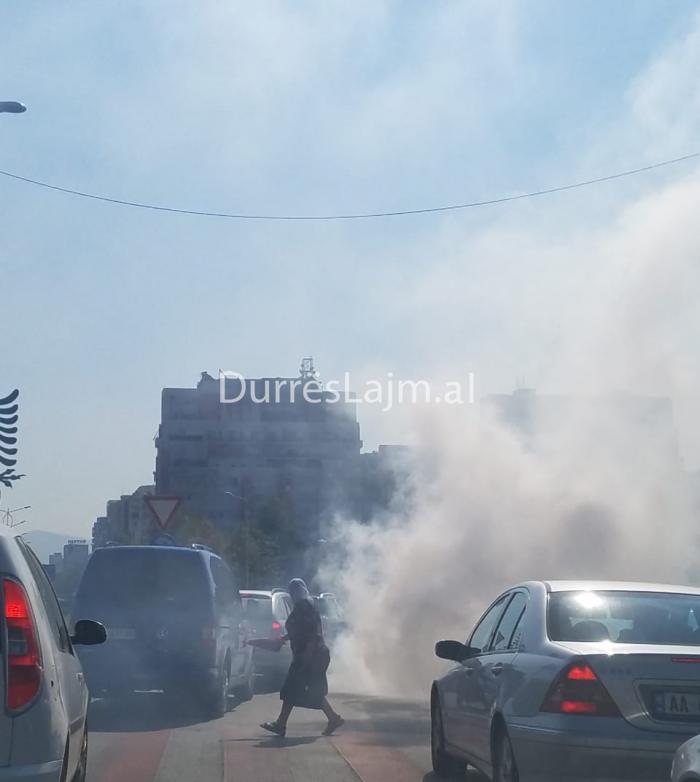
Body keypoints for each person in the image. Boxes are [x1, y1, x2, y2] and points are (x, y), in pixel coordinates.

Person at [260, 578, 344, 738]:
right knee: (309, 690)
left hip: (310, 656)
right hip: (314, 655)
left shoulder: (304, 607)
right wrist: (284, 639)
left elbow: (312, 633)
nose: (294, 593)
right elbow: (301, 631)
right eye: (293, 591)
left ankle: (281, 724)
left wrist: (306, 656)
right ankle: (333, 718)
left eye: (296, 590)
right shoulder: (306, 607)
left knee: (292, 688)